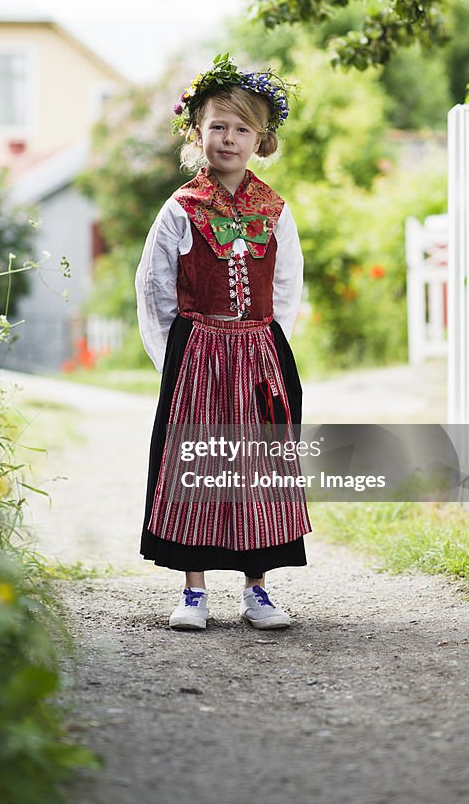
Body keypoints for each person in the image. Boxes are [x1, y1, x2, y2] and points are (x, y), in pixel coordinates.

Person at [135, 53, 312, 632]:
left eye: (242, 129)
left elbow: (286, 282)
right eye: (218, 126)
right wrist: (172, 356)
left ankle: (257, 588)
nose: (229, 138)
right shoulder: (180, 208)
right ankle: (193, 590)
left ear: (262, 140)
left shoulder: (275, 211)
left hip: (258, 350)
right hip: (198, 354)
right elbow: (155, 285)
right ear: (197, 132)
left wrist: (270, 342)